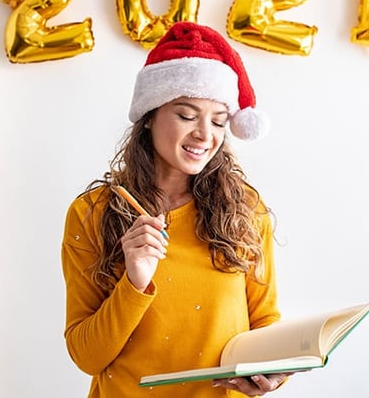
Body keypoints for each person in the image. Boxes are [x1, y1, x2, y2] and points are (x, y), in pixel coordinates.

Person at [61, 21, 294, 397]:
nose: (206, 134)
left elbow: (264, 321)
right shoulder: (92, 213)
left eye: (219, 120)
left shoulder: (247, 211)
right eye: (187, 115)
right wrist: (135, 281)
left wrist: (274, 370)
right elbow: (87, 356)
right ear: (150, 115)